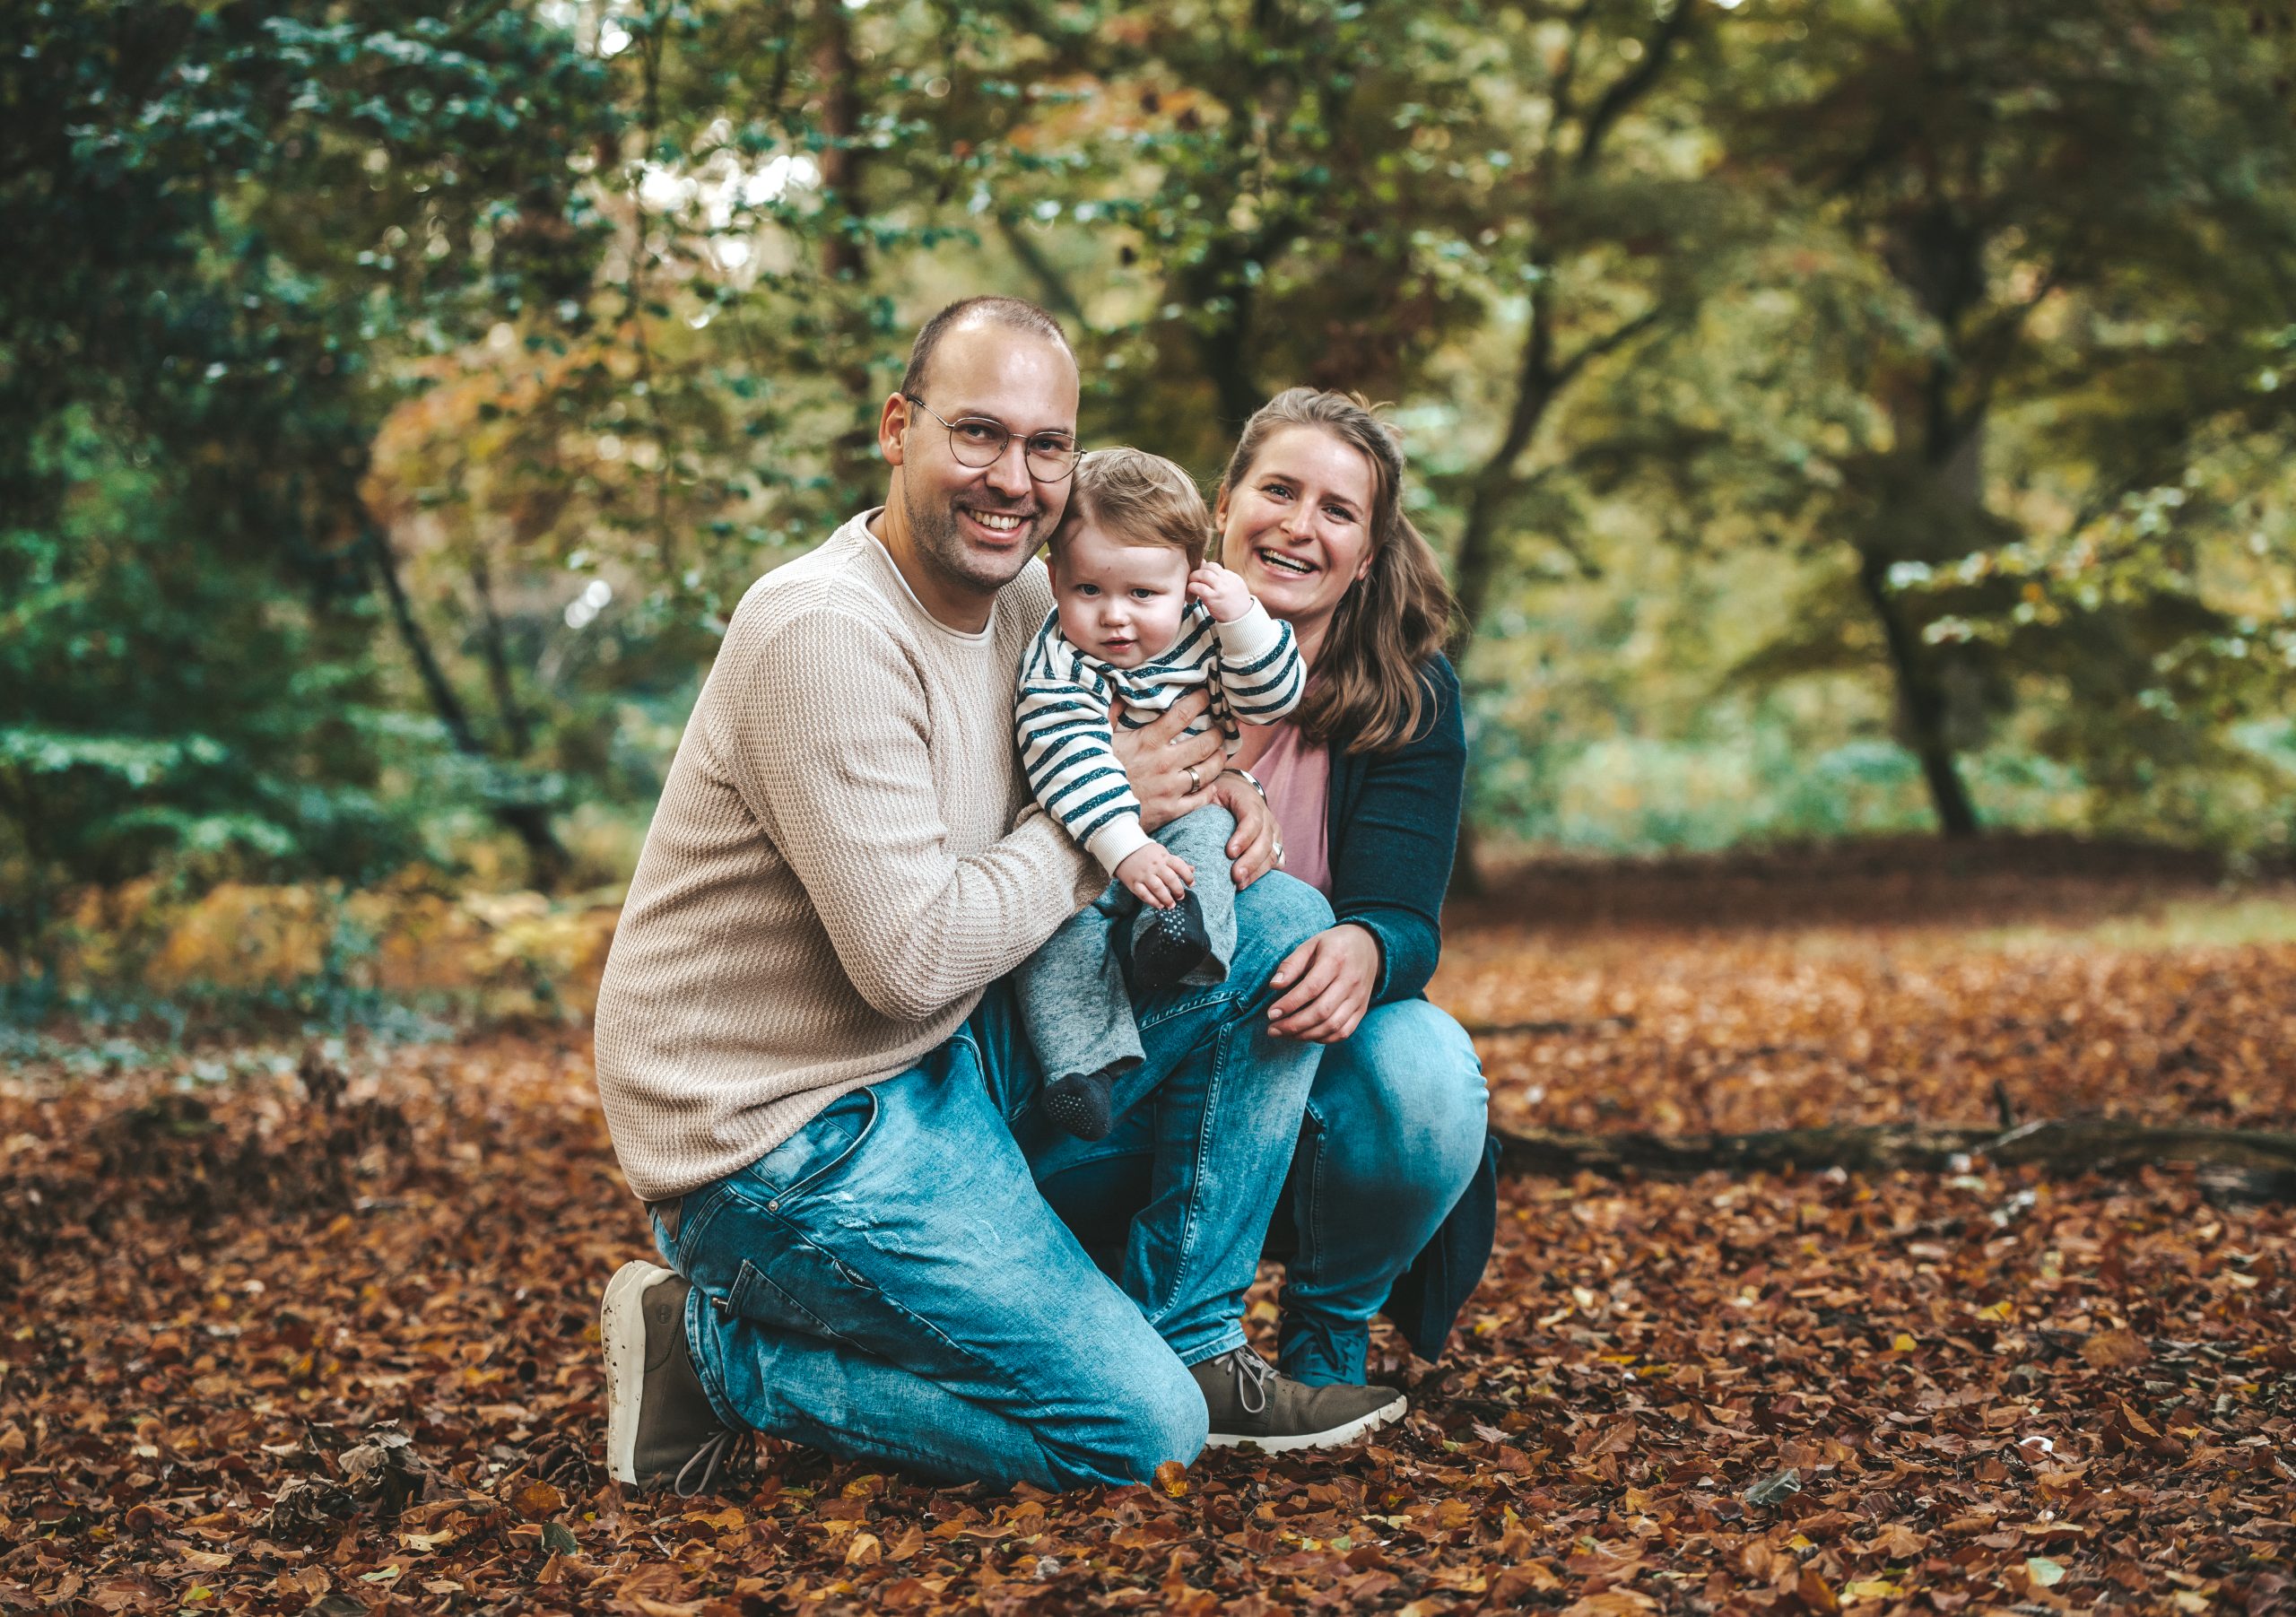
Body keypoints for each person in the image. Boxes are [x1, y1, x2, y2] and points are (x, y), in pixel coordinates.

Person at [590, 300, 1405, 1498]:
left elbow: (1127, 731)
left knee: (1278, 925)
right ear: (897, 427)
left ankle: (1190, 1329)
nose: (1012, 479)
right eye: (978, 434)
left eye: (1046, 445)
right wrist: (1103, 821)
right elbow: (909, 959)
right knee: (1139, 1434)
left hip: (948, 1060)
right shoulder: (824, 630)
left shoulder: (1034, 603)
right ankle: (716, 1352)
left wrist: (1217, 788)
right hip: (781, 1136)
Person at [1037, 387, 1496, 1392]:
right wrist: (1118, 790)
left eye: (1337, 512)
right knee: (1274, 914)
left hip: (1292, 1067)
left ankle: (1327, 1325)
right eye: (1278, 491)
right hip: (1115, 1053)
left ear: (1367, 553)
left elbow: (1408, 918)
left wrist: (1369, 948)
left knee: (1419, 1067)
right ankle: (1126, 1304)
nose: (1300, 526)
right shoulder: (1088, 641)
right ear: (1223, 505)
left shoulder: (1408, 694)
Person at [1015, 448, 1307, 1142]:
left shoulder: (1208, 634)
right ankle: (1081, 1069)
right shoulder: (1058, 659)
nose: (1115, 617)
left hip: (1184, 821)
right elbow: (1068, 760)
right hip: (1086, 845)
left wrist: (1242, 620)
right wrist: (1122, 849)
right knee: (1054, 942)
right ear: (1054, 576)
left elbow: (1275, 696)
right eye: (1089, 590)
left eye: (1142, 595)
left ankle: (1171, 944)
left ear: (1190, 582)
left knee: (1209, 848)